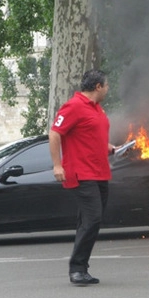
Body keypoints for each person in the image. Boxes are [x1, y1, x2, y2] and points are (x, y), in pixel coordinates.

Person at [49, 69, 116, 285]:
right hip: (82, 173)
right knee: (93, 219)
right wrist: (57, 165)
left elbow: (87, 136)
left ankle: (81, 268)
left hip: (99, 172)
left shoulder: (97, 109)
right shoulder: (74, 106)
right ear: (98, 87)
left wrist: (106, 147)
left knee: (89, 220)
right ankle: (77, 269)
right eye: (107, 85)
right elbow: (55, 133)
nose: (108, 89)